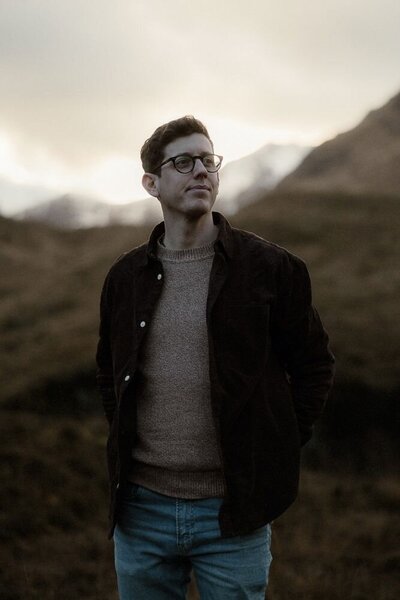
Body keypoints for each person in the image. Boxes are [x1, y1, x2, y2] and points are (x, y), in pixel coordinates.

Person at [96, 115, 335, 599]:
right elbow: (110, 372)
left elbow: (313, 365)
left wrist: (281, 440)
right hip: (141, 509)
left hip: (234, 511)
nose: (201, 171)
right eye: (183, 162)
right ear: (152, 182)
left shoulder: (272, 269)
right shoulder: (125, 278)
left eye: (208, 160)